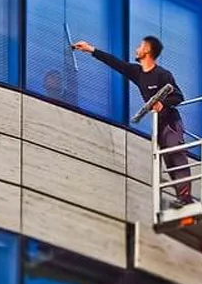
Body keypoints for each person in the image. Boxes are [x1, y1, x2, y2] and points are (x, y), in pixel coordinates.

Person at [73, 35, 193, 206]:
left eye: (140, 46)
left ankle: (185, 197)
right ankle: (182, 199)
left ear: (148, 50)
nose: (137, 49)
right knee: (168, 160)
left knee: (175, 154)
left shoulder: (162, 74)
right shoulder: (138, 73)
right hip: (158, 125)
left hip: (170, 123)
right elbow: (117, 64)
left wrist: (162, 103)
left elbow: (178, 96)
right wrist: (91, 50)